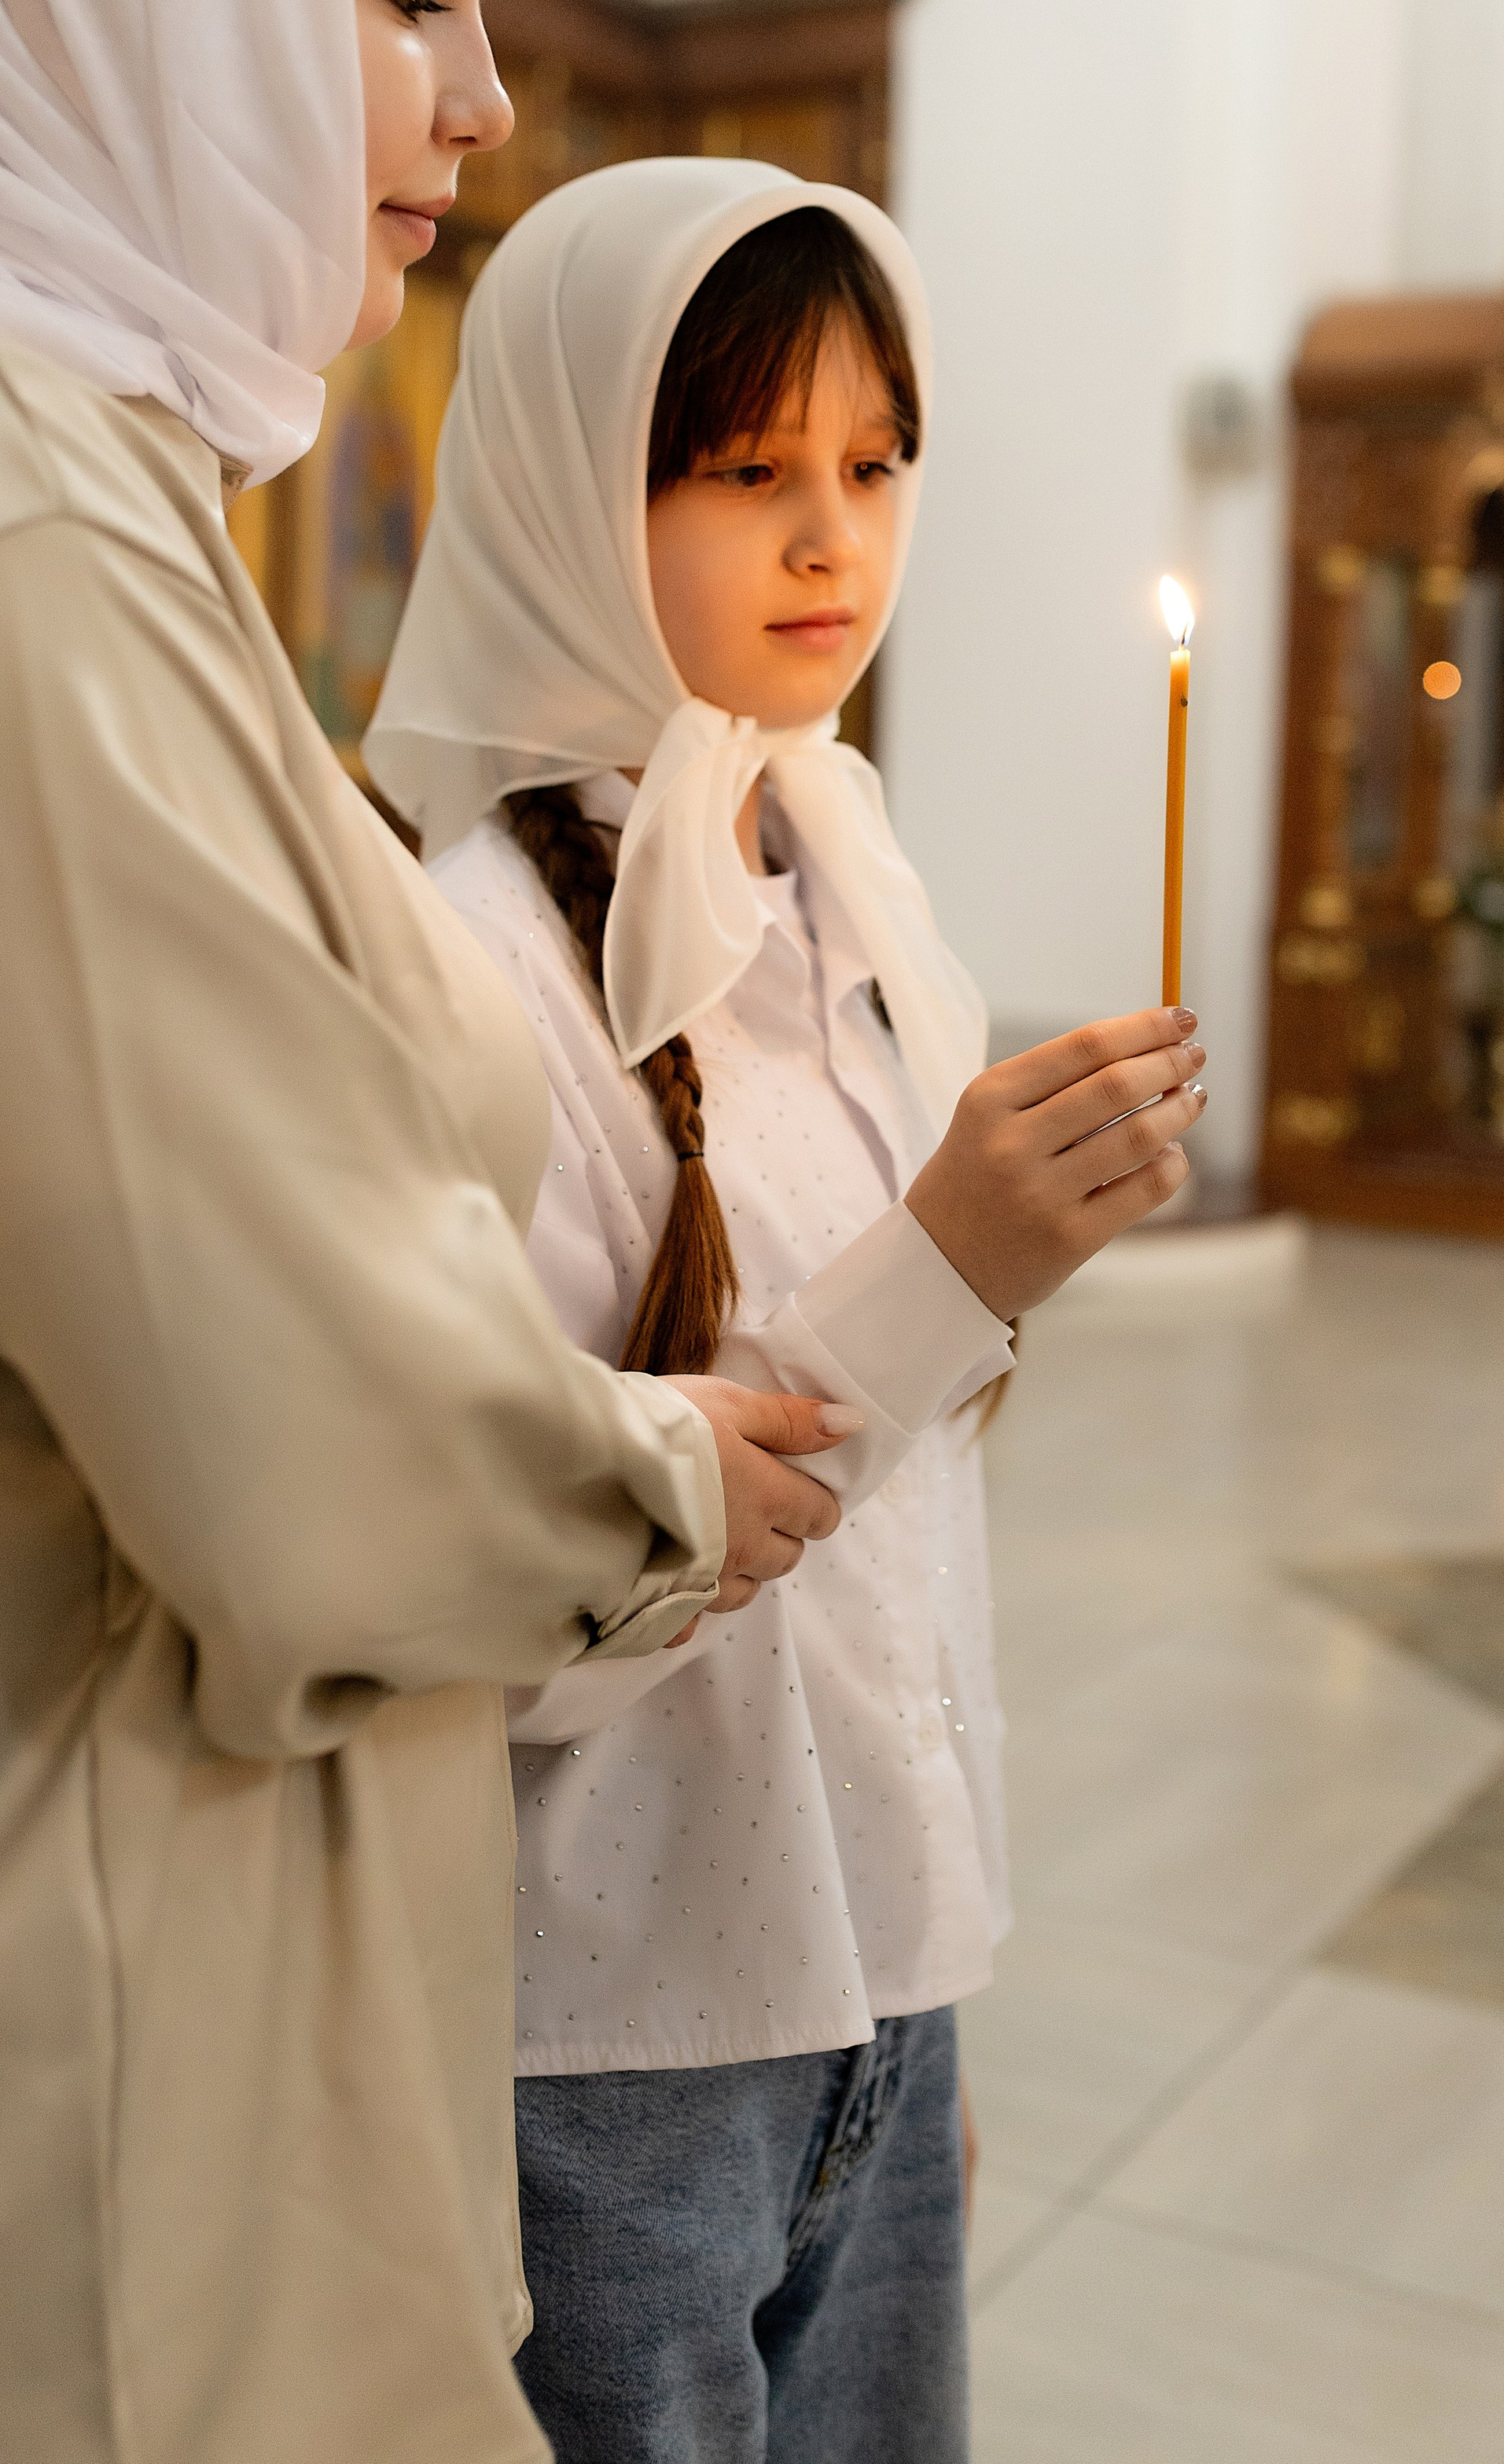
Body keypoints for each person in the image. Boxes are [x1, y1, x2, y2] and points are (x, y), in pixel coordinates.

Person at [0, 0, 855, 2464]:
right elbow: (304, 1455)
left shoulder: (10, 444)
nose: (488, 99)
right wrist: (659, 1480)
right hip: (70, 2146)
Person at [366, 158, 1209, 2461]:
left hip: (870, 1960)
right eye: (748, 474)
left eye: (874, 463)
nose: (835, 539)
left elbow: (904, 1497)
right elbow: (490, 1585)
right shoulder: (471, 964)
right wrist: (945, 1269)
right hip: (610, 2037)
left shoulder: (837, 862)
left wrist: (909, 2023)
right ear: (563, 478)